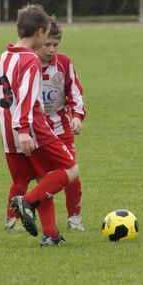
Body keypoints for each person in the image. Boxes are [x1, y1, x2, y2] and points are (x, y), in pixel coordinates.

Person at [0, 4, 80, 246]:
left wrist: (11, 125)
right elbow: (28, 97)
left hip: (7, 133)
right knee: (70, 170)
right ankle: (27, 202)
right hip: (32, 131)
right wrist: (23, 130)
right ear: (40, 32)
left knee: (44, 180)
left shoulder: (4, 56)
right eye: (47, 35)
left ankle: (51, 235)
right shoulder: (31, 60)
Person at [36, 17, 87, 230]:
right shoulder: (27, 63)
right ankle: (16, 217)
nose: (51, 49)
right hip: (36, 129)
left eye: (55, 45)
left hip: (61, 127)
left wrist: (77, 116)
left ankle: (74, 217)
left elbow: (76, 93)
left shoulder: (64, 63)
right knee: (37, 177)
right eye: (47, 44)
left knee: (72, 174)